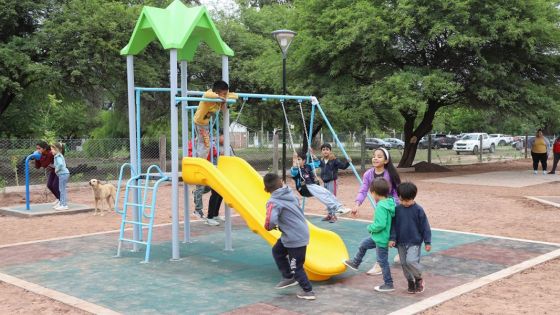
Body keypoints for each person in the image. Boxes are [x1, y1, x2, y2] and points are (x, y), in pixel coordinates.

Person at [263, 173, 315, 300]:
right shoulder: (289, 193)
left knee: (296, 266)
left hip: (295, 237)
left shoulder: (273, 202)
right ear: (281, 182)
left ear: (266, 190)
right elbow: (296, 203)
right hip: (294, 233)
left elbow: (270, 220)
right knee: (277, 250)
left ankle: (308, 291)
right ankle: (288, 277)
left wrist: (269, 227)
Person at [351, 147, 401, 275]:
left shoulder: (390, 174)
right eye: (374, 155)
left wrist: (394, 206)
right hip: (382, 207)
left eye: (379, 156)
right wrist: (357, 204)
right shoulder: (368, 174)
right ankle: (399, 254)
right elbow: (363, 190)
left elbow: (396, 192)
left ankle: (382, 264)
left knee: (389, 233)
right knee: (386, 234)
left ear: (386, 160)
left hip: (391, 206)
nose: (375, 158)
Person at [343, 178, 396, 292]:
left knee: (382, 261)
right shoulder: (388, 202)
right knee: (364, 244)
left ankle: (389, 283)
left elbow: (380, 224)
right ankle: (356, 262)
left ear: (374, 193)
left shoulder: (381, 206)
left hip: (381, 238)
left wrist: (370, 227)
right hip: (378, 236)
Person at [388, 182, 432, 294]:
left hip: (414, 242)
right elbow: (393, 226)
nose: (404, 203)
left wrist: (427, 242)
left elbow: (425, 227)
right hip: (401, 242)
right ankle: (410, 281)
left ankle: (419, 278)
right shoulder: (397, 209)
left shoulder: (418, 210)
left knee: (411, 261)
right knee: (403, 263)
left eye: (407, 200)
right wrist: (392, 238)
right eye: (402, 200)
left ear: (413, 197)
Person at [291, 150, 351, 223]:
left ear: (304, 160)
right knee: (322, 196)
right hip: (304, 187)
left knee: (327, 193)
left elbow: (318, 163)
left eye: (299, 159)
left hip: (312, 185)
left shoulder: (308, 166)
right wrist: (294, 160)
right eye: (296, 160)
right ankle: (334, 208)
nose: (297, 161)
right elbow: (294, 172)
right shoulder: (296, 169)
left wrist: (313, 154)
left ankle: (339, 207)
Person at [193, 80, 238, 159]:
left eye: (226, 93)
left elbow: (235, 96)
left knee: (202, 141)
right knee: (206, 143)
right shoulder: (209, 97)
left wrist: (225, 97)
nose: (225, 95)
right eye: (224, 94)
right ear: (217, 92)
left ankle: (199, 157)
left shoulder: (221, 98)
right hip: (200, 122)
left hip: (205, 123)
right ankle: (200, 160)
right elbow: (206, 94)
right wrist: (219, 97)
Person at [205, 133, 235, 226]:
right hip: (214, 173)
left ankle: (215, 215)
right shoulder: (213, 146)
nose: (225, 138)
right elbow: (209, 158)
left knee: (221, 194)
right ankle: (209, 217)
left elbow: (233, 158)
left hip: (223, 174)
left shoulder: (228, 147)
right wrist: (219, 155)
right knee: (215, 194)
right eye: (223, 136)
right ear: (218, 136)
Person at [34, 141, 60, 206]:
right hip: (53, 171)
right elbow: (37, 167)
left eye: (39, 148)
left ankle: (61, 200)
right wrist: (36, 158)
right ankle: (58, 198)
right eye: (37, 149)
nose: (37, 150)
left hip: (59, 171)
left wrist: (40, 158)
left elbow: (47, 164)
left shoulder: (51, 153)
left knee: (55, 186)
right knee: (49, 185)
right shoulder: (41, 155)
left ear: (44, 148)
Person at [51, 143, 70, 211]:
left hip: (63, 174)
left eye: (52, 149)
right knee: (62, 190)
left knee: (62, 190)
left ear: (57, 149)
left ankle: (64, 205)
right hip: (64, 174)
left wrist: (56, 169)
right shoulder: (58, 155)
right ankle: (62, 203)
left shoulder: (57, 156)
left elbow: (60, 164)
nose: (51, 151)